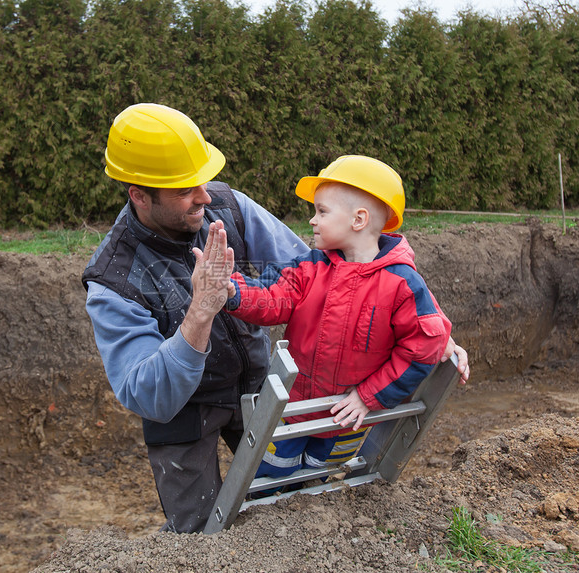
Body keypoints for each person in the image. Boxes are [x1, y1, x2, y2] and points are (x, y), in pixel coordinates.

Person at [82, 104, 469, 533]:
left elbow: (331, 268)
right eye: (185, 190)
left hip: (259, 384)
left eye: (203, 181)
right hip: (185, 411)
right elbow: (148, 396)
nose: (205, 197)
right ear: (139, 194)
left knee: (285, 505)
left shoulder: (230, 207)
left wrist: (434, 326)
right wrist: (199, 312)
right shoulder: (113, 280)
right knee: (198, 535)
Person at [214, 155, 456, 480]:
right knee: (267, 479)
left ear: (358, 220)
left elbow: (422, 347)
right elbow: (274, 295)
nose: (312, 220)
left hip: (348, 415)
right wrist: (233, 290)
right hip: (293, 409)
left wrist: (370, 396)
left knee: (319, 481)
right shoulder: (310, 266)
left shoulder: (401, 284)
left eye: (322, 211)